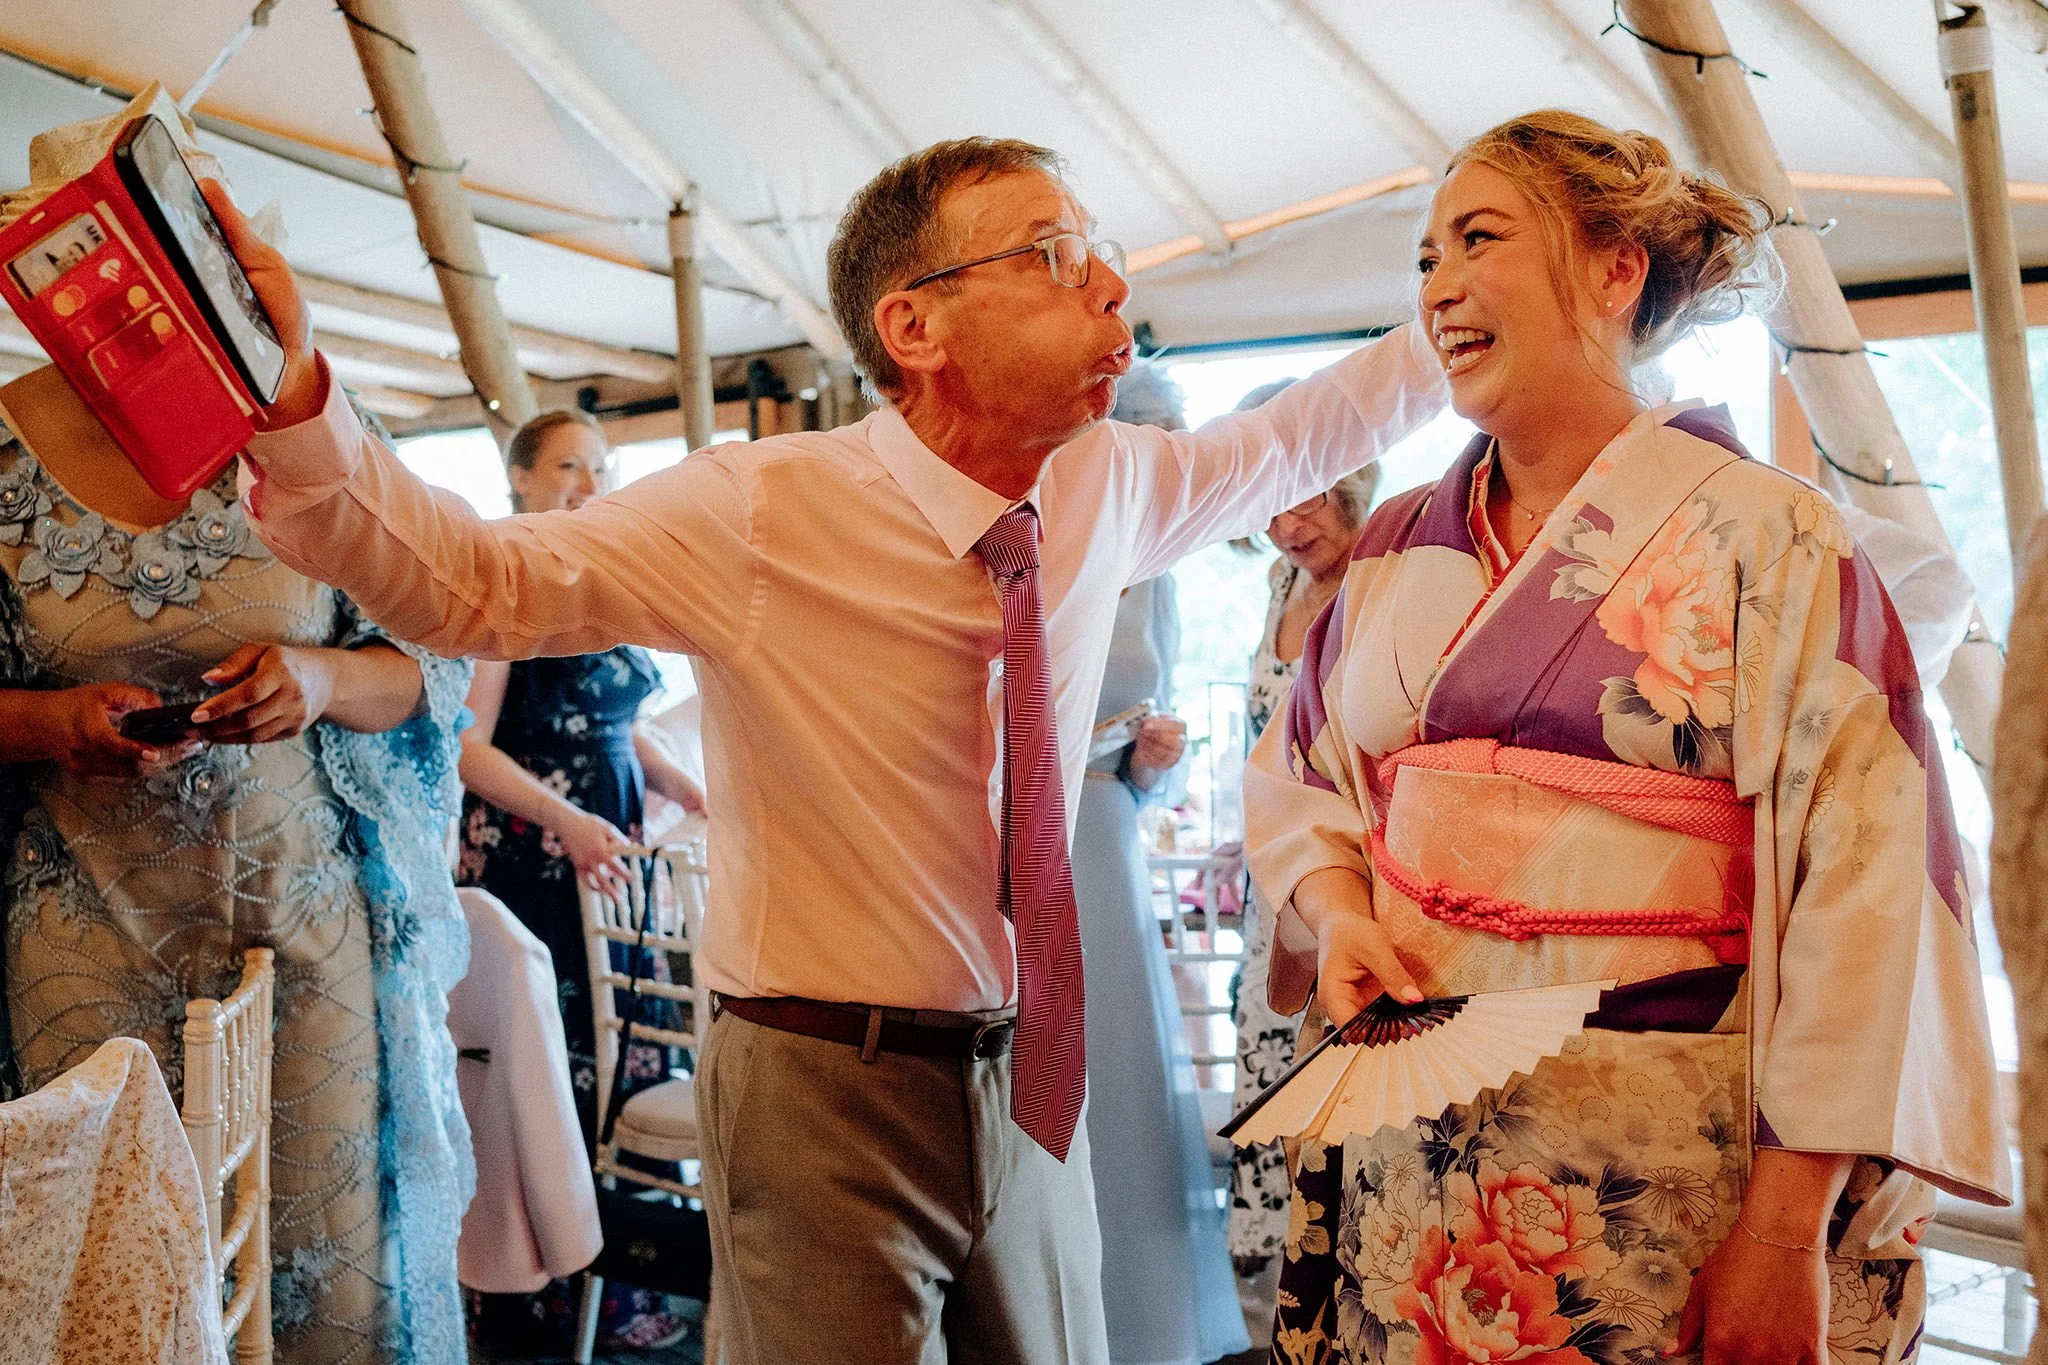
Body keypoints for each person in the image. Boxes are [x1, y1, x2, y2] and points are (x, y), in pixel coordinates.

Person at [212, 135, 1446, 1364]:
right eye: (1055, 254)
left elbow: (1298, 436)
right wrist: (304, 401)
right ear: (915, 327)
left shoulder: (1105, 481)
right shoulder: (755, 508)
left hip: (1032, 1073)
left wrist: (1458, 315)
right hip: (818, 1084)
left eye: (1100, 255)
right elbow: (475, 583)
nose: (1109, 285)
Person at [1244, 109, 2012, 1365]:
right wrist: (1335, 912)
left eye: (1475, 239)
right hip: (1413, 1143)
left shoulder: (1774, 538)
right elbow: (1301, 783)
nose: (1436, 286)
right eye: (1423, 258)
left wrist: (1782, 1230)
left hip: (1662, 1160)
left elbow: (1869, 889)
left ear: (1615, 269)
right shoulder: (1390, 548)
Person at [0, 136, 474, 1365]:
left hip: (301, 922)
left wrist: (317, 678)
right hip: (84, 936)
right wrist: (48, 724)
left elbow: (427, 669)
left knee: (324, 1276)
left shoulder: (306, 423)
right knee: (112, 1275)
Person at [453, 407, 706, 1352]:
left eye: (599, 465)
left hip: (611, 861)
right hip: (535, 861)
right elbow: (464, 745)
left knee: (624, 1052)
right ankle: (537, 1295)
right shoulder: (499, 579)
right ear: (520, 477)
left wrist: (668, 772)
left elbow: (609, 710)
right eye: (567, 464)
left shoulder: (596, 573)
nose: (587, 483)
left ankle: (631, 1279)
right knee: (553, 1072)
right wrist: (565, 820)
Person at [1071, 365, 1246, 1365]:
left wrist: (1150, 763)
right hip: (1025, 829)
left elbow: (1150, 755)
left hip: (1106, 831)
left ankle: (1130, 1328)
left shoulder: (1161, 574)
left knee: (1123, 1087)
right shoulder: (1048, 538)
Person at [1226, 374, 1383, 1342]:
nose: (1285, 525)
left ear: (1347, 477)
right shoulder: (1279, 584)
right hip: (1265, 890)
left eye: (1304, 495)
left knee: (1338, 1116)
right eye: (1265, 502)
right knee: (1271, 1098)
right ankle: (1279, 1323)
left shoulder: (1382, 579)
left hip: (1343, 885)